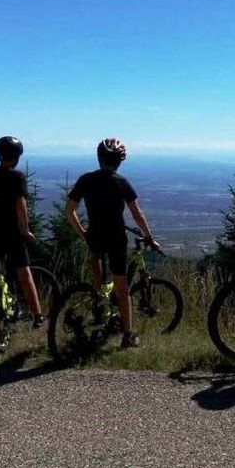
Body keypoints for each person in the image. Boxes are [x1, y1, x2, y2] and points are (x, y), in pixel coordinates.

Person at [65, 138, 160, 348]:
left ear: (99, 158)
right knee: (122, 288)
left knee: (95, 265)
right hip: (116, 238)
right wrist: (150, 238)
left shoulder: (86, 180)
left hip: (95, 236)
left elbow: (69, 210)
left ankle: (100, 303)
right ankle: (128, 335)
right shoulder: (122, 182)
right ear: (119, 161)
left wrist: (83, 235)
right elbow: (137, 214)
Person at [0, 136, 44, 327]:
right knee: (24, 273)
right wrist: (26, 231)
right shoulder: (18, 177)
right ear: (16, 157)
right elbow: (21, 207)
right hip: (13, 233)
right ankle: (38, 315)